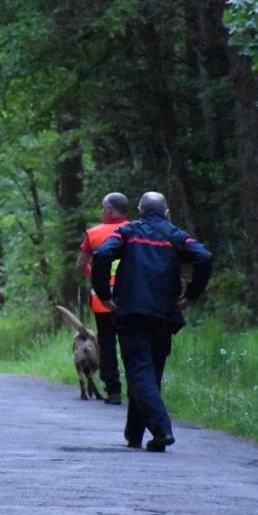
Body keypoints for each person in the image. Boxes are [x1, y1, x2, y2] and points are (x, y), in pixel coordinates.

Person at [91, 192, 212, 452]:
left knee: (140, 373)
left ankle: (161, 429)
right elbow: (204, 256)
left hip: (132, 312)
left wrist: (104, 294)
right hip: (164, 314)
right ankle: (134, 434)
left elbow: (101, 254)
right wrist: (191, 295)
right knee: (149, 373)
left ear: (140, 210)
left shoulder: (128, 232)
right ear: (166, 213)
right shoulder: (175, 235)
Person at [75, 192, 130, 405]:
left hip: (102, 300)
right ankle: (138, 390)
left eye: (102, 207)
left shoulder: (94, 234)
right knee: (131, 344)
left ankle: (113, 391)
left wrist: (96, 279)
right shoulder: (135, 230)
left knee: (107, 345)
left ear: (108, 209)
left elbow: (81, 264)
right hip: (130, 298)